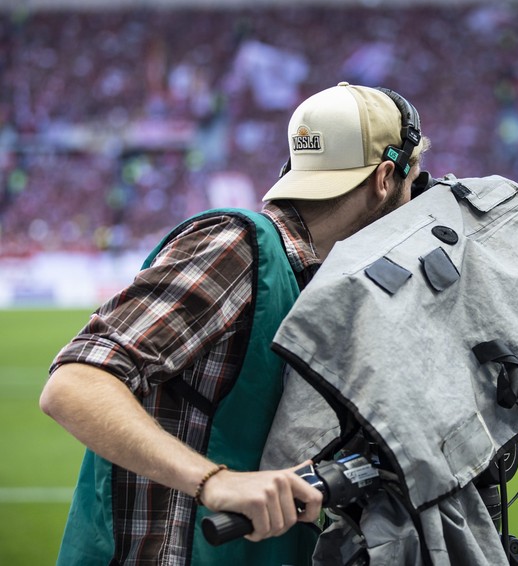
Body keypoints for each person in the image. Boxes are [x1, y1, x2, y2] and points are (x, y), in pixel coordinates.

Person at [39, 82, 431, 565]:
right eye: (413, 182)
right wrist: (216, 482)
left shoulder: (310, 279)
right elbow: (75, 382)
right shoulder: (239, 247)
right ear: (385, 178)